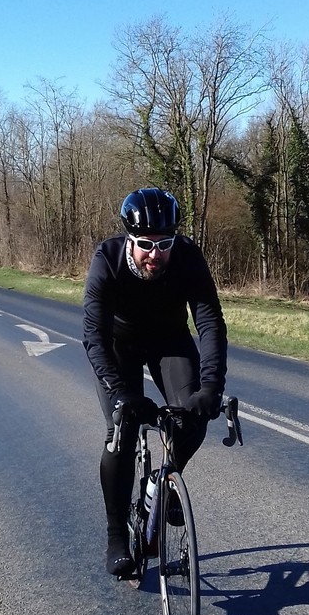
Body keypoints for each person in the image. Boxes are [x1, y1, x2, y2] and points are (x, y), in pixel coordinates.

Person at [83, 187, 228, 576]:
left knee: (193, 415)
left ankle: (159, 484)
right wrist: (120, 393)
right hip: (119, 345)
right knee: (122, 430)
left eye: (164, 244)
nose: (155, 254)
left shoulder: (188, 257)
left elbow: (210, 323)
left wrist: (211, 387)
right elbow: (94, 336)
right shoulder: (107, 260)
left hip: (170, 341)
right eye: (145, 244)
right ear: (130, 240)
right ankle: (117, 536)